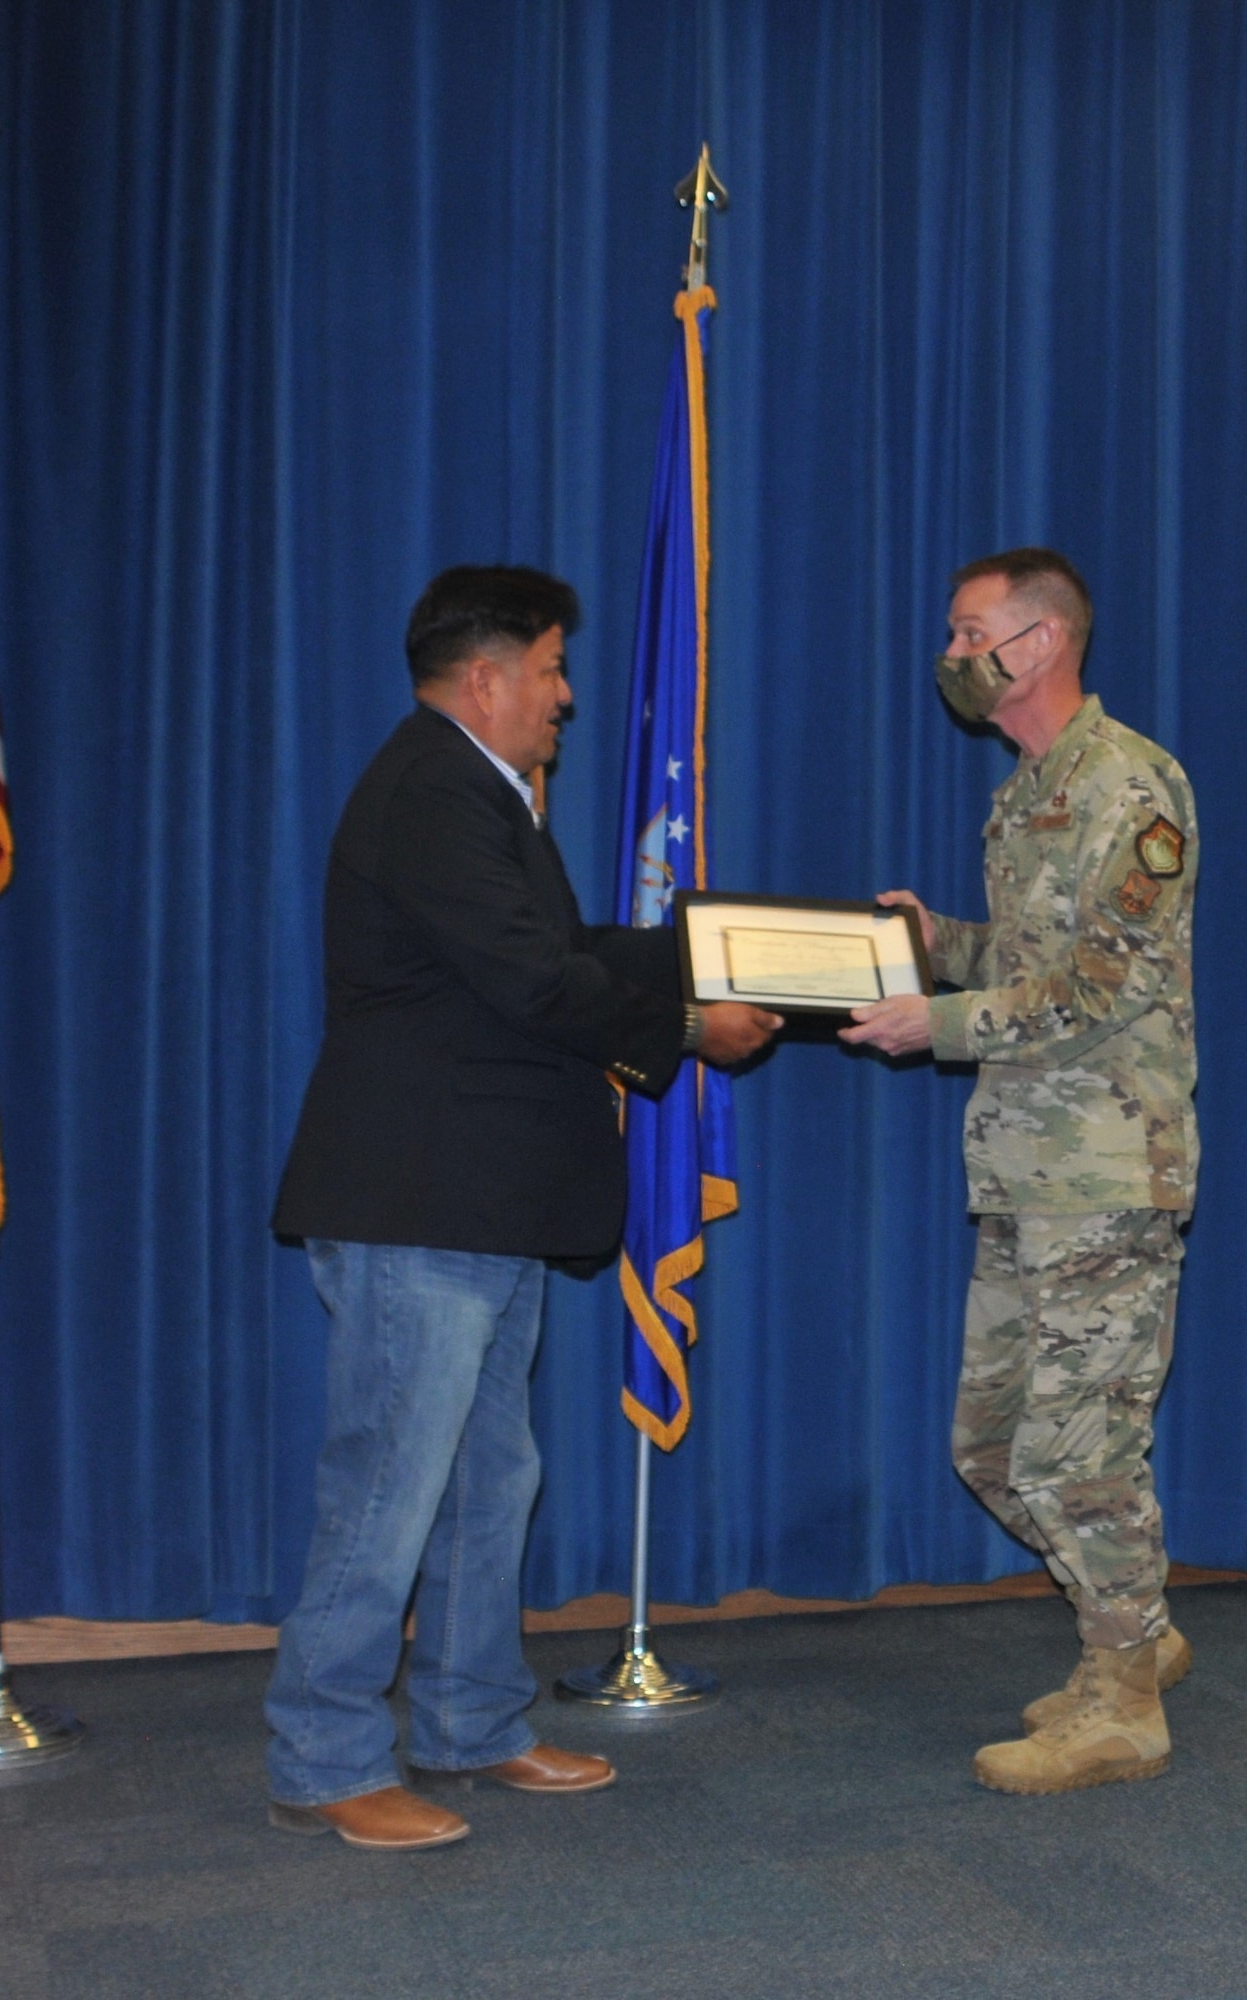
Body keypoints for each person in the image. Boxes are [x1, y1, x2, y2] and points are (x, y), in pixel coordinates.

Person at [266, 565, 780, 1849]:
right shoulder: (436, 787)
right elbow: (529, 982)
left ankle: (470, 1720)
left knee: (491, 1478)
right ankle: (325, 1754)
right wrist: (687, 1017)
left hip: (478, 1201)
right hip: (418, 1200)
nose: (564, 694)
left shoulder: (478, 793)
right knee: (387, 1485)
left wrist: (725, 952)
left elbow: (566, 952)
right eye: (550, 667)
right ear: (484, 677)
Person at [840, 548, 1198, 1795]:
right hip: (1022, 1167)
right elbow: (1032, 957)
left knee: (1077, 1453)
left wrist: (931, 1020)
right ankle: (1137, 1631)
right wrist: (939, 944)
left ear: (1039, 642)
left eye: (970, 629)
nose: (952, 652)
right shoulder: (1029, 790)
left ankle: (1122, 1704)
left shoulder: (1129, 785)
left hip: (1105, 1167)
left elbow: (1105, 984)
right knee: (989, 1444)